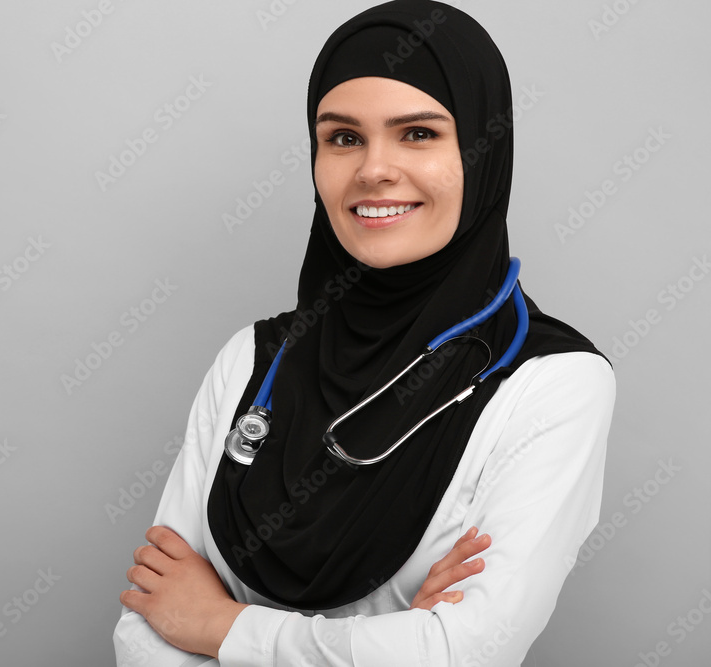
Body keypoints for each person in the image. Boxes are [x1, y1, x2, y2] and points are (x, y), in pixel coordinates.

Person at [113, 1, 616, 664]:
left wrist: (221, 627)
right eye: (343, 137)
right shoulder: (251, 361)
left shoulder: (553, 383)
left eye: (418, 134)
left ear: (482, 151)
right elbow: (149, 628)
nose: (373, 169)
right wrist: (390, 636)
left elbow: (464, 650)